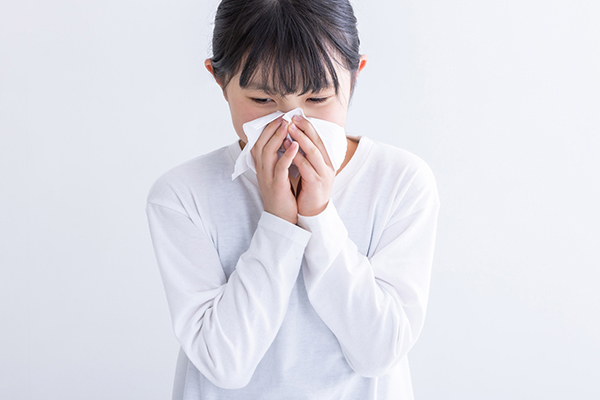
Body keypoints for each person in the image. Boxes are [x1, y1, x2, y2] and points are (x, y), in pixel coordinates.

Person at [145, 0, 440, 398]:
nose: (291, 124)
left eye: (317, 99)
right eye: (263, 101)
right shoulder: (183, 195)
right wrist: (279, 222)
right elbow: (224, 363)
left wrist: (318, 216)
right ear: (219, 80)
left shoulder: (400, 181)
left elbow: (378, 352)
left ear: (355, 77)